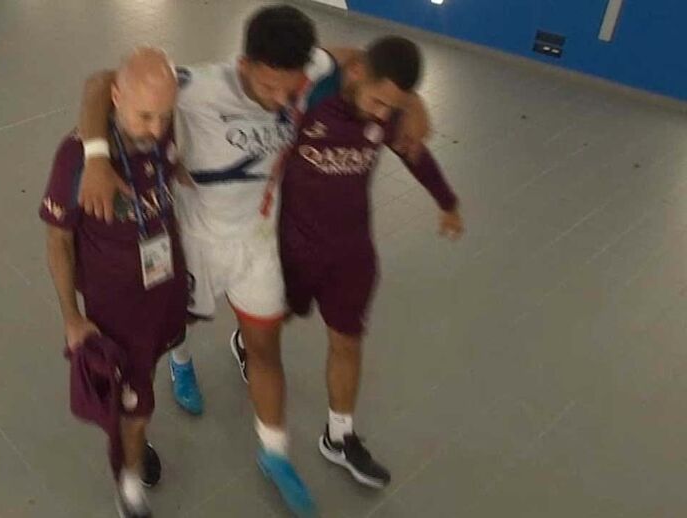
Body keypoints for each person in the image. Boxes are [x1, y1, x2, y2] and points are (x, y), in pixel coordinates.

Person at [74, 6, 432, 516]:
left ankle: (275, 454)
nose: (282, 101)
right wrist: (95, 156)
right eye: (269, 87)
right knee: (159, 340)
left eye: (291, 90)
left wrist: (412, 103)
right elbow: (100, 82)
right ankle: (165, 388)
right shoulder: (196, 85)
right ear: (244, 65)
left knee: (265, 348)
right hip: (195, 241)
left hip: (257, 243)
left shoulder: (311, 67)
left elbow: (362, 59)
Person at [278, 35, 464, 489]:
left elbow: (415, 153)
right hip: (292, 246)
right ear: (357, 73)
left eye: (392, 107)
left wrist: (447, 202)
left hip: (351, 253)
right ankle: (248, 344)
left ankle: (338, 436)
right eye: (378, 102)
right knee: (277, 317)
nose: (382, 115)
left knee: (347, 342)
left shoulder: (391, 113)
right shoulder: (311, 99)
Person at [40, 47, 186, 518]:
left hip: (163, 293)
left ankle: (135, 439)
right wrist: (71, 317)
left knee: (144, 385)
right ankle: (128, 487)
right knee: (134, 406)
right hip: (117, 316)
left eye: (165, 116)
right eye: (145, 117)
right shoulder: (76, 158)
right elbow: (58, 241)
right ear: (117, 98)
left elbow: (166, 163)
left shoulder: (160, 133)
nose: (157, 129)